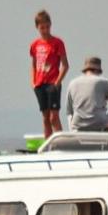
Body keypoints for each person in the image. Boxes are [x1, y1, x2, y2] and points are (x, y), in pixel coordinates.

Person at [63, 55, 108, 132]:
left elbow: (69, 111)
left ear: (85, 70)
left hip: (77, 126)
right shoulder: (101, 81)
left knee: (72, 115)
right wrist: (107, 96)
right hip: (99, 124)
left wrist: (72, 130)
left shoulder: (72, 83)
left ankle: (74, 132)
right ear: (98, 70)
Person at [28, 10, 68, 141]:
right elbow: (33, 64)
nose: (45, 30)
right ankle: (48, 145)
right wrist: (33, 82)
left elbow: (65, 65)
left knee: (53, 117)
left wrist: (57, 82)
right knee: (45, 117)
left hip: (53, 83)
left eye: (47, 27)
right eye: (42, 28)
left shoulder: (57, 43)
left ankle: (61, 143)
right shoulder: (35, 45)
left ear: (50, 25)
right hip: (40, 84)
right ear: (37, 28)